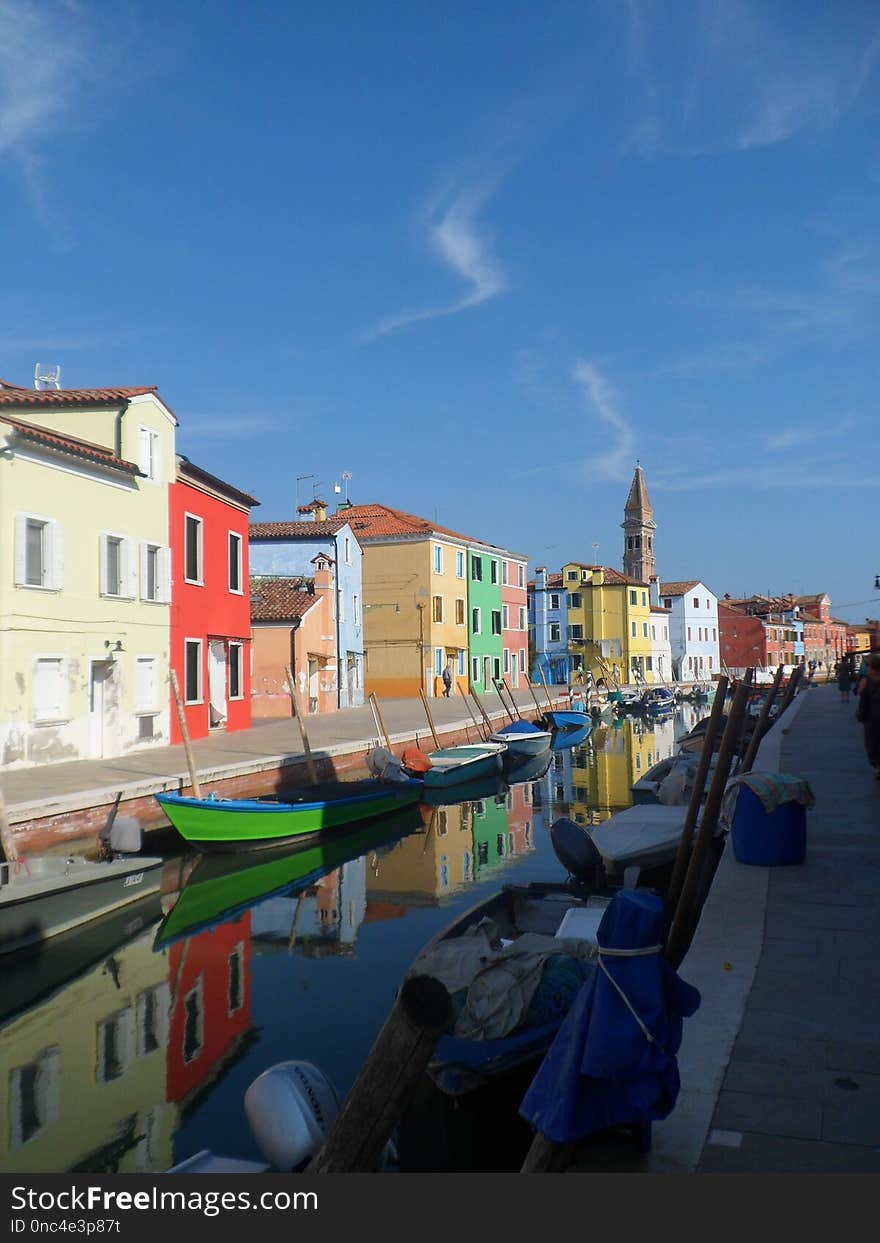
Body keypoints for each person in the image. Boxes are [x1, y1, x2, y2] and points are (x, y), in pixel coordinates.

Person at [855, 655, 880, 780]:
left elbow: (860, 694)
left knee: (872, 744)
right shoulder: (867, 680)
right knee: (872, 745)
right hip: (871, 717)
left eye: (867, 665)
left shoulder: (867, 681)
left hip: (872, 717)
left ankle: (878, 767)